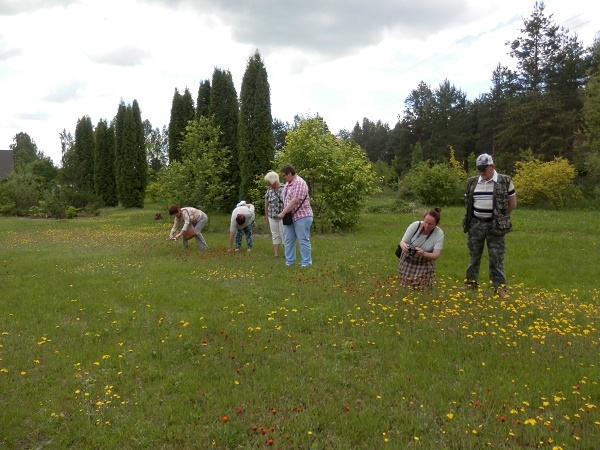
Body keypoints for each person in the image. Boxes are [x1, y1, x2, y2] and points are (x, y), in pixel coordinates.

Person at [461, 153, 517, 298]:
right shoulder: (472, 182)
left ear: (492, 166)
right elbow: (468, 204)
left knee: (496, 257)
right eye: (479, 169)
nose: (481, 172)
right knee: (474, 255)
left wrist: (501, 216)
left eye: (484, 169)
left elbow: (512, 203)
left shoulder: (505, 181)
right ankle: (470, 282)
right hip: (475, 224)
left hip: (495, 226)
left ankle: (499, 288)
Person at [398, 208, 444, 289]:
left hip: (425, 263)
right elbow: (402, 242)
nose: (427, 226)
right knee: (406, 287)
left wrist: (424, 253)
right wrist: (404, 247)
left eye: (430, 224)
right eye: (425, 222)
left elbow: (436, 255)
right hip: (408, 260)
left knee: (424, 288)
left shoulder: (439, 234)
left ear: (436, 224)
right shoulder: (415, 225)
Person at [277, 164, 313, 267]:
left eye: (284, 175)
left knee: (303, 240)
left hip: (302, 216)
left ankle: (306, 263)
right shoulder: (288, 184)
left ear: (289, 173)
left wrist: (283, 213)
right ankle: (290, 261)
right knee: (288, 239)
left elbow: (295, 200)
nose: (283, 178)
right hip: (289, 217)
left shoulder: (300, 183)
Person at [264, 171, 285, 257]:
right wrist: (266, 218)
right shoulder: (269, 191)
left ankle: (287, 253)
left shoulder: (284, 188)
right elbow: (266, 205)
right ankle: (276, 254)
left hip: (283, 216)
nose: (268, 184)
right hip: (272, 216)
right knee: (275, 235)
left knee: (284, 235)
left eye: (269, 182)